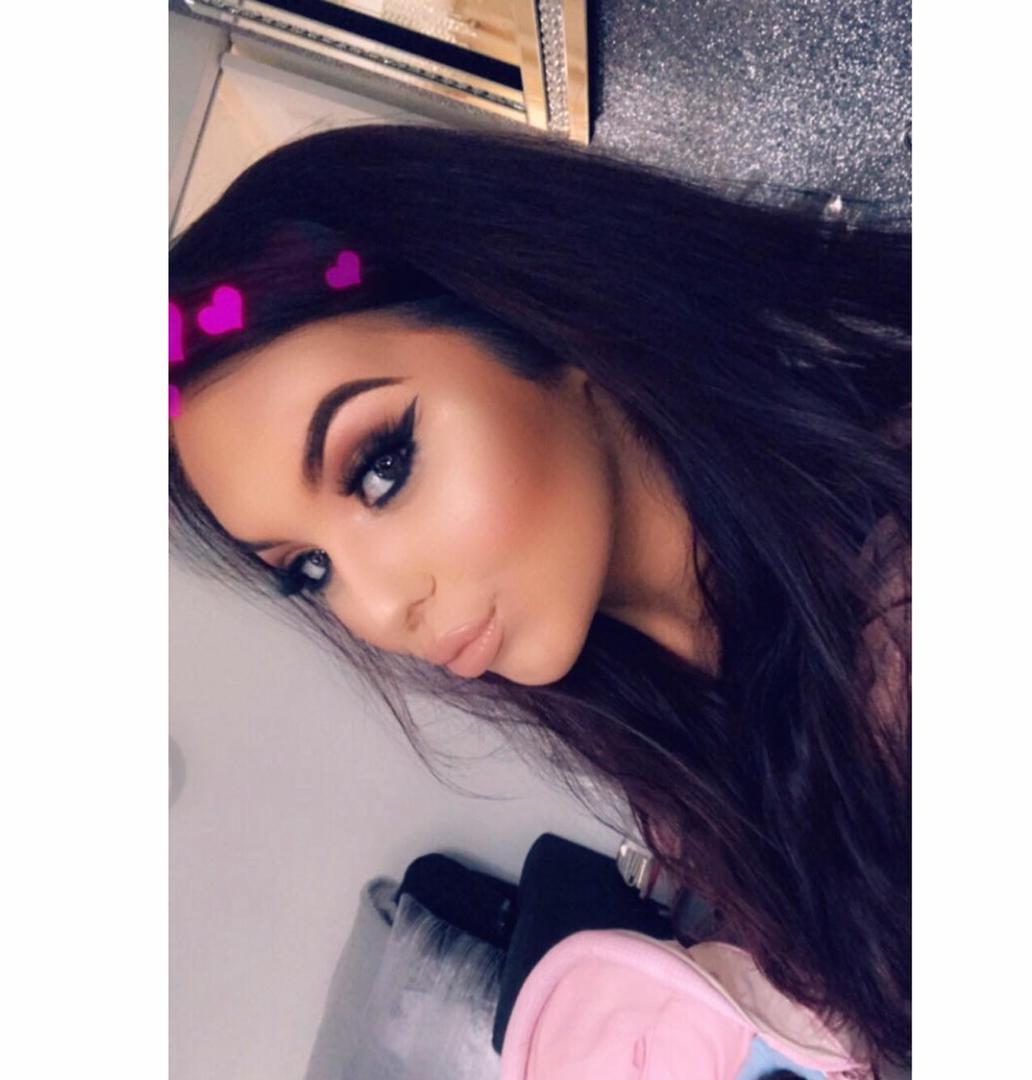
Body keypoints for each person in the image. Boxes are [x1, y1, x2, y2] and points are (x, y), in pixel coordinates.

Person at [168, 123, 911, 1073]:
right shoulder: (675, 755)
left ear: (543, 321)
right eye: (308, 570)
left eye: (381, 467)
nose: (378, 610)